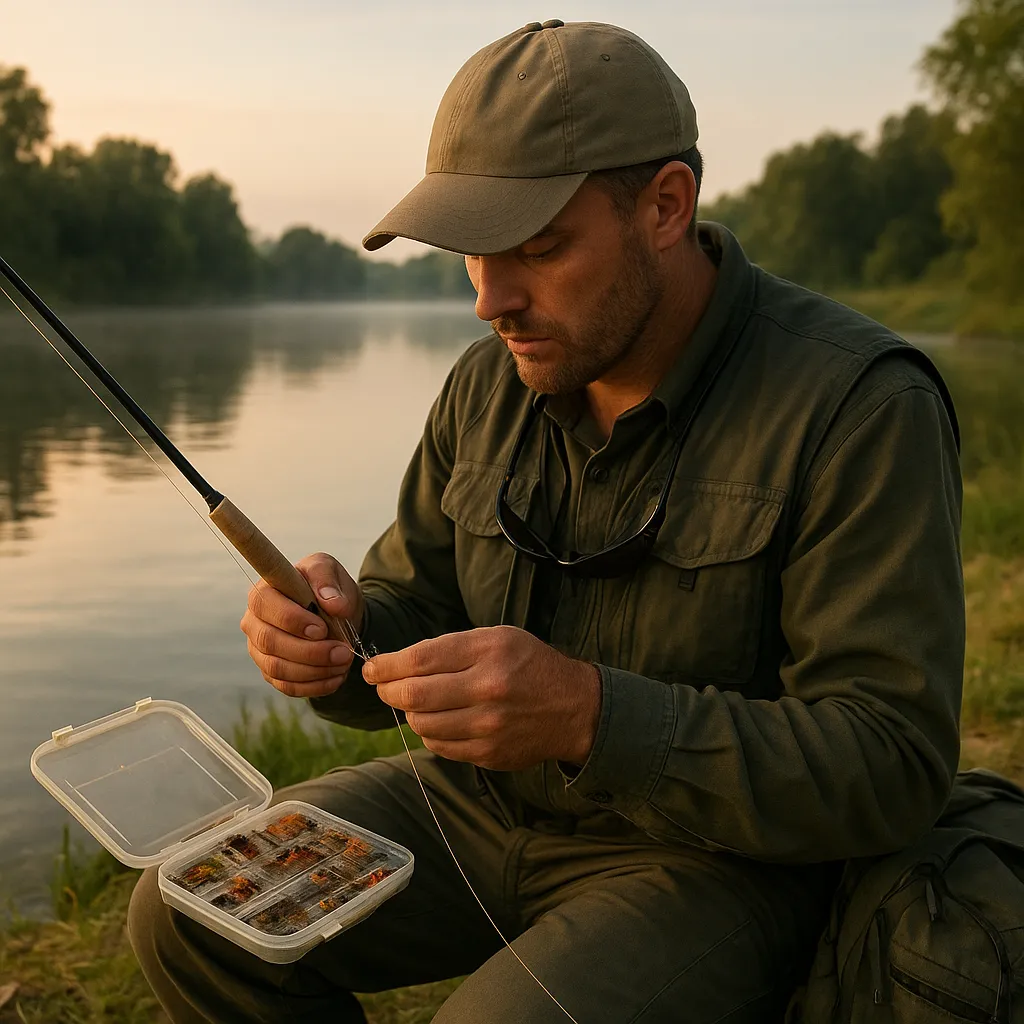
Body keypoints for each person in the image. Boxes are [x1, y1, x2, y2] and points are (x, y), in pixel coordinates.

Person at [127, 19, 965, 1024]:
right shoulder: (490, 382)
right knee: (186, 911)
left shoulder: (858, 403)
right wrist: (334, 636)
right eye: (472, 254)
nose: (490, 300)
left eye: (536, 248)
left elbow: (892, 763)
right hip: (479, 808)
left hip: (718, 862)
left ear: (664, 205)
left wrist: (589, 714)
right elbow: (411, 609)